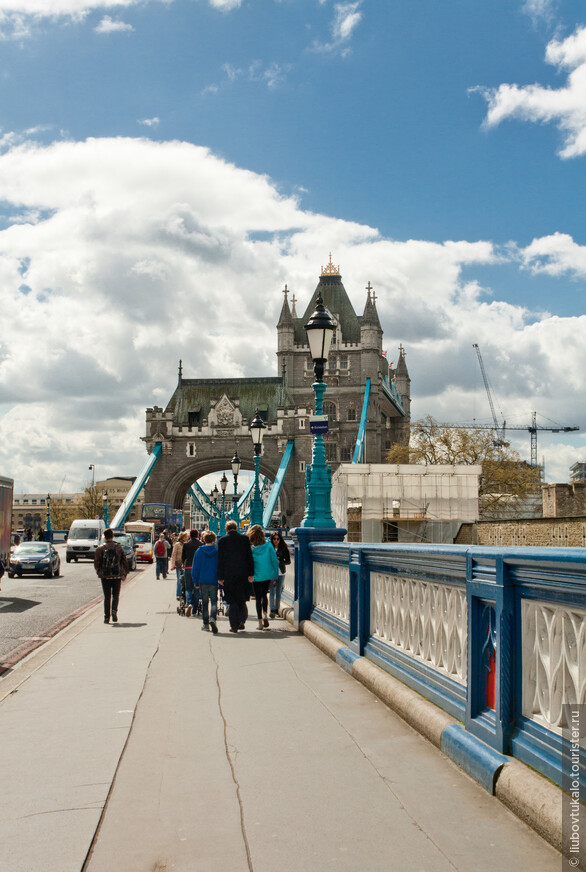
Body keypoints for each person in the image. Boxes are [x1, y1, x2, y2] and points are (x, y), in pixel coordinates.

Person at [217, 519, 254, 633]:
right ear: (237, 528)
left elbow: (220, 560)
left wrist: (220, 577)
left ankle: (234, 626)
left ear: (226, 529)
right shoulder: (245, 539)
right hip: (243, 574)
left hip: (229, 576)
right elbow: (249, 557)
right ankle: (242, 620)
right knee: (242, 600)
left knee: (232, 601)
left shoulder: (222, 541)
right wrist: (251, 574)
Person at [248, 525, 280, 631]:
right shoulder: (269, 545)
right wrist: (275, 574)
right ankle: (266, 615)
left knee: (258, 598)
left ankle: (260, 622)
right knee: (264, 595)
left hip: (256, 575)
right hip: (267, 574)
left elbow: (248, 562)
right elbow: (274, 560)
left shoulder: (251, 548)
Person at [94, 528, 128, 624]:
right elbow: (124, 561)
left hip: (105, 576)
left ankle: (106, 617)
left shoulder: (100, 548)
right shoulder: (118, 547)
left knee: (107, 596)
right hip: (117, 575)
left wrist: (99, 572)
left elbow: (96, 562)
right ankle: (114, 611)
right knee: (116, 595)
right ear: (113, 536)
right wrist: (124, 573)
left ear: (105, 537)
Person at [192, 530, 219, 633]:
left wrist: (196, 582)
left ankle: (206, 624)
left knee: (204, 602)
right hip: (213, 579)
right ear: (214, 539)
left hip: (202, 579)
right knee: (214, 601)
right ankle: (213, 618)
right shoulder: (217, 551)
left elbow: (195, 568)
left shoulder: (199, 551)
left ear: (204, 539)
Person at [269, 530, 290, 618]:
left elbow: (288, 561)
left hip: (281, 572)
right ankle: (272, 610)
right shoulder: (269, 548)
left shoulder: (284, 549)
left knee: (278, 592)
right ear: (272, 540)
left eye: (278, 539)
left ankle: (277, 609)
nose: (276, 540)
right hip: (271, 573)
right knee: (272, 591)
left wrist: (280, 562)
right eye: (274, 539)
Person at [181, 529, 202, 617]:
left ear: (190, 536)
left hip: (188, 567)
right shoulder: (201, 544)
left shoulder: (186, 544)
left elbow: (183, 557)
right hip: (198, 569)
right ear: (197, 535)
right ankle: (194, 609)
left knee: (188, 588)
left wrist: (183, 564)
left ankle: (189, 603)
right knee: (197, 588)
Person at [171, 531, 188, 598]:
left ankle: (184, 594)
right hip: (178, 564)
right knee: (179, 580)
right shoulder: (177, 544)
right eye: (185, 537)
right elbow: (174, 555)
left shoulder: (187, 544)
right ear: (182, 537)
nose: (187, 538)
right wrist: (173, 565)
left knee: (185, 580)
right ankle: (178, 594)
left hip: (185, 564)